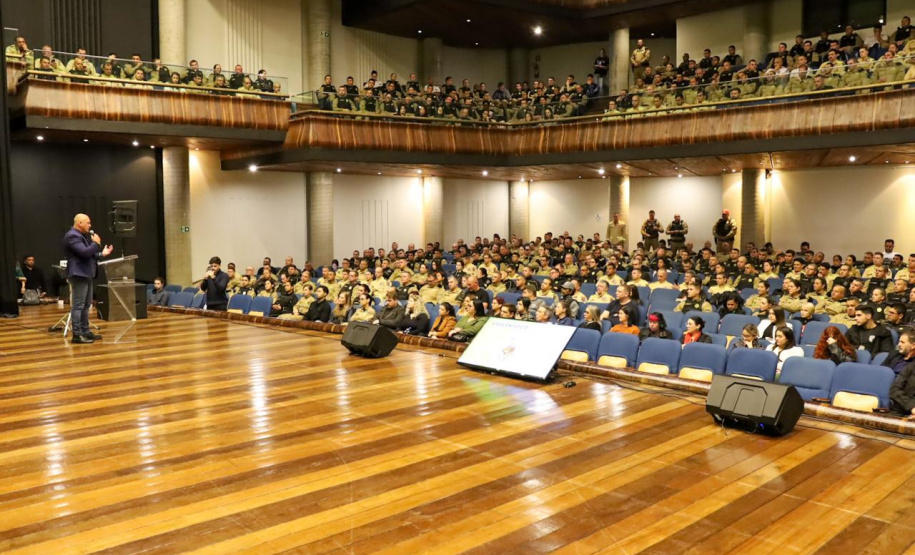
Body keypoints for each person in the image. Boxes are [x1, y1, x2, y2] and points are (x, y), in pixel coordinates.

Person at [63, 214, 113, 343]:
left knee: (86, 305)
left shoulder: (80, 236)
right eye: (88, 223)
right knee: (78, 305)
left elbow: (88, 255)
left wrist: (102, 254)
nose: (90, 225)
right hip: (79, 274)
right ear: (80, 223)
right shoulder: (72, 236)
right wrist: (95, 243)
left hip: (86, 273)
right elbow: (84, 253)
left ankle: (85, 331)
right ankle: (77, 335)